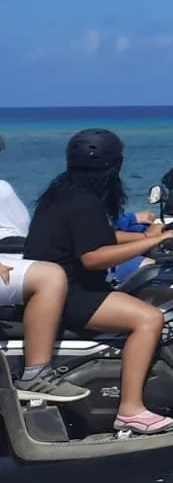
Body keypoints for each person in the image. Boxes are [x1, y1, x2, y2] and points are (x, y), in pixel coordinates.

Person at [23, 129, 173, 433]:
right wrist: (147, 244)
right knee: (148, 318)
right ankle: (131, 409)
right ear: (115, 167)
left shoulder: (60, 196)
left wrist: (148, 236)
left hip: (54, 288)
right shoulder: (86, 202)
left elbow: (94, 236)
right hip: (71, 293)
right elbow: (93, 257)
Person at [1, 135, 90, 403]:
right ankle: (35, 374)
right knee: (49, 277)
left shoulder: (3, 187)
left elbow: (23, 234)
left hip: (14, 257)